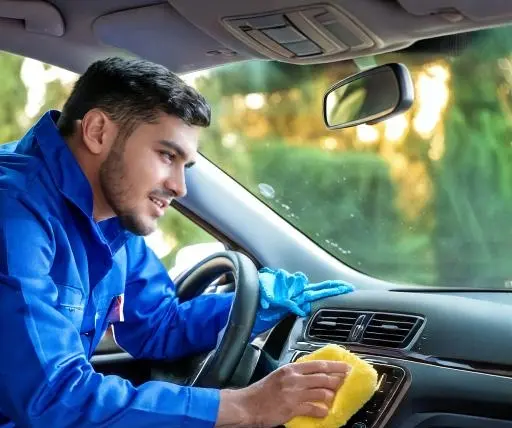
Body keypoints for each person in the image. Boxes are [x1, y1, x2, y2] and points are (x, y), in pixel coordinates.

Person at [0, 57, 353, 428]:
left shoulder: (111, 216)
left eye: (185, 166)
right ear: (98, 131)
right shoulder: (13, 212)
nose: (179, 187)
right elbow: (55, 398)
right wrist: (247, 407)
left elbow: (156, 326)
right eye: (168, 155)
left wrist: (253, 305)